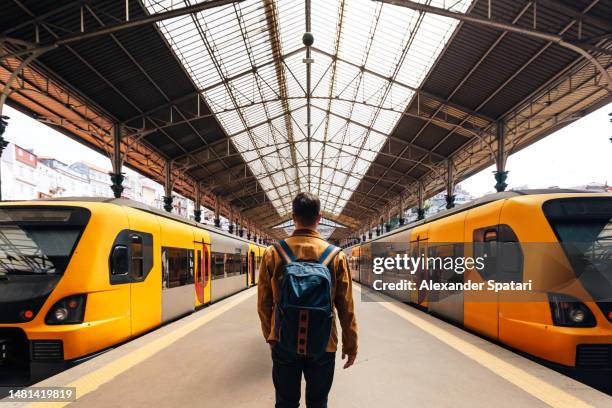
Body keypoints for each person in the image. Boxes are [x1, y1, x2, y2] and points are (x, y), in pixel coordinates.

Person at [257, 192, 358, 408]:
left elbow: (263, 304)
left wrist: (272, 336)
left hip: (284, 340)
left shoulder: (273, 253)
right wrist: (351, 344)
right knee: (318, 402)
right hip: (324, 344)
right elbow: (346, 307)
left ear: (293, 217)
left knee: (285, 402)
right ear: (319, 217)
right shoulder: (336, 255)